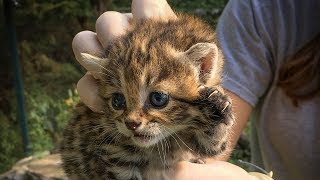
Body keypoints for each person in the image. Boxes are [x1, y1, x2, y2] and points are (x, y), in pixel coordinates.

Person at [72, 0, 320, 179]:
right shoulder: (268, 10)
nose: (132, 119)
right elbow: (210, 154)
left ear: (203, 67)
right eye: (118, 101)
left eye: (157, 98)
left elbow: (211, 147)